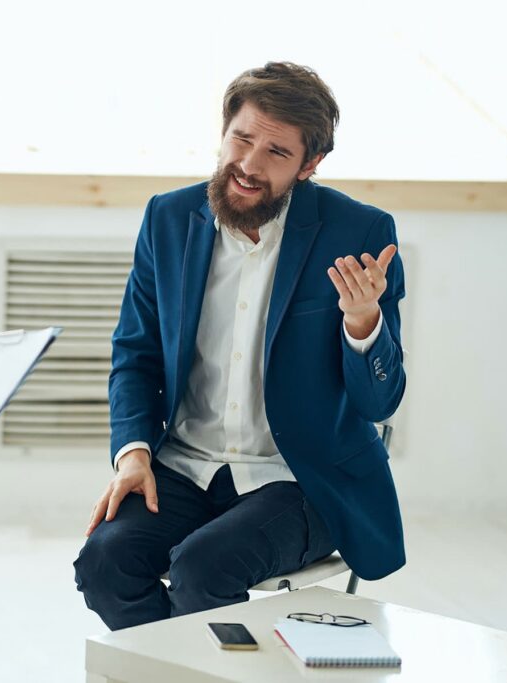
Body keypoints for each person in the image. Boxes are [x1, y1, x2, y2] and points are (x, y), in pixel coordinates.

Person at [74, 62, 406, 630]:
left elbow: (381, 404)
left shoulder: (360, 234)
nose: (249, 166)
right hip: (184, 466)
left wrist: (362, 322)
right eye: (242, 139)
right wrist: (132, 453)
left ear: (310, 165)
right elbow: (136, 355)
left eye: (276, 153)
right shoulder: (169, 218)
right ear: (223, 132)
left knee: (203, 568)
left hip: (300, 477)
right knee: (106, 562)